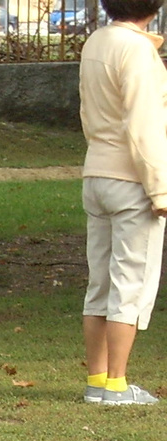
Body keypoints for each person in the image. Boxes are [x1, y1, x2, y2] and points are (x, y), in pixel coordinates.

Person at [79, 0, 167, 405]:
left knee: (100, 281)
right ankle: (116, 384)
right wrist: (160, 189)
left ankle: (98, 379)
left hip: (97, 171)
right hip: (132, 178)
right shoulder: (137, 50)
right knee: (130, 283)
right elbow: (144, 125)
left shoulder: (97, 41)